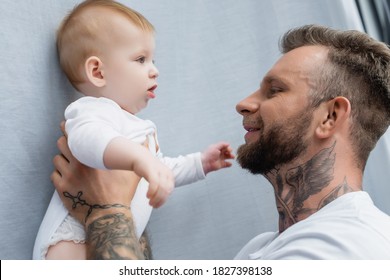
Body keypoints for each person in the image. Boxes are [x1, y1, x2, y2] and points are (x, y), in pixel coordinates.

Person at [52, 24, 390, 259]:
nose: (243, 102)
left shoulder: (342, 247)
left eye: (275, 90)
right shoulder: (268, 246)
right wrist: (126, 204)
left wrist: (107, 211)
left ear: (330, 117)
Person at [33, 0, 234, 260]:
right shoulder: (93, 110)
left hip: (108, 240)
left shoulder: (134, 129)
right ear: (97, 71)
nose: (155, 70)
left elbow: (160, 171)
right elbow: (87, 141)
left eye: (152, 59)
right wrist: (141, 159)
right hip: (71, 241)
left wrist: (200, 163)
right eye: (140, 59)